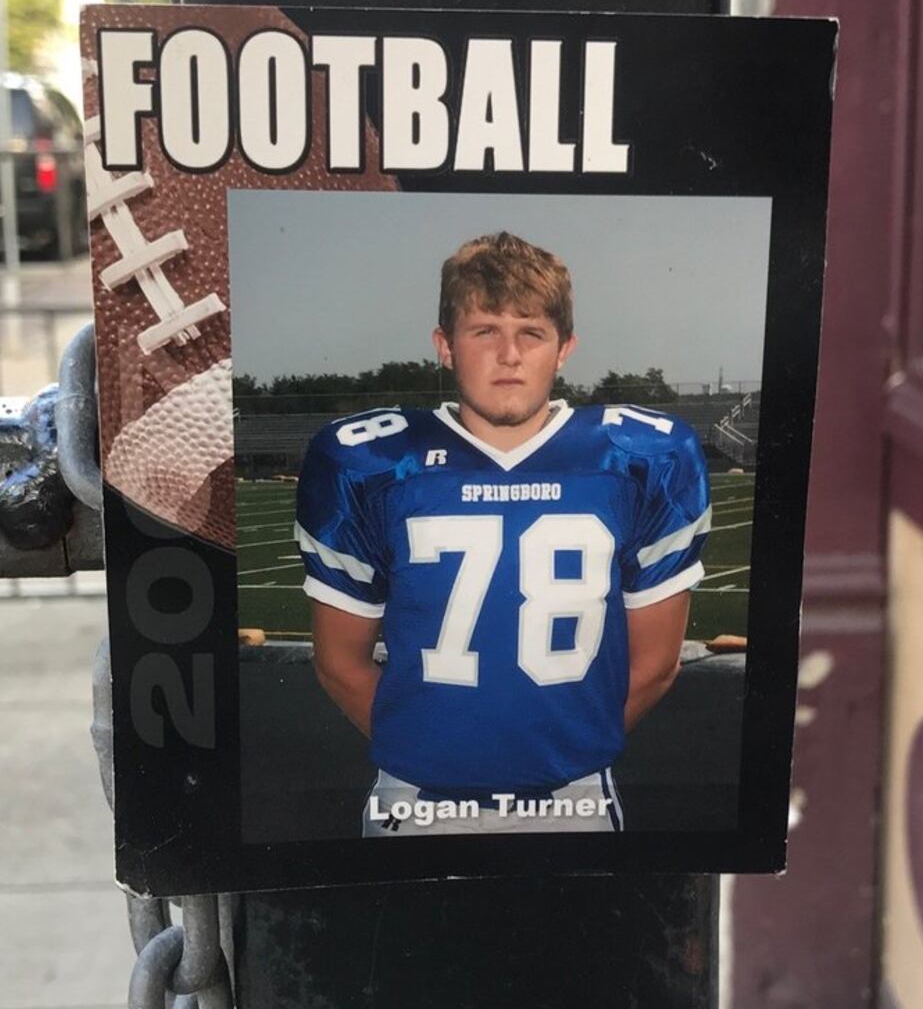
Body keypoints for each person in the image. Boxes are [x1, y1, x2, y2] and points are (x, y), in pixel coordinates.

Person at [294, 230, 711, 835]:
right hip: (415, 801)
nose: (508, 354)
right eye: (484, 330)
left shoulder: (641, 456)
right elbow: (339, 664)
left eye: (531, 332)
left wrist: (555, 758)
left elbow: (655, 664)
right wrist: (440, 761)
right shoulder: (371, 461)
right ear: (445, 345)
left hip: (572, 797)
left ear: (564, 348)